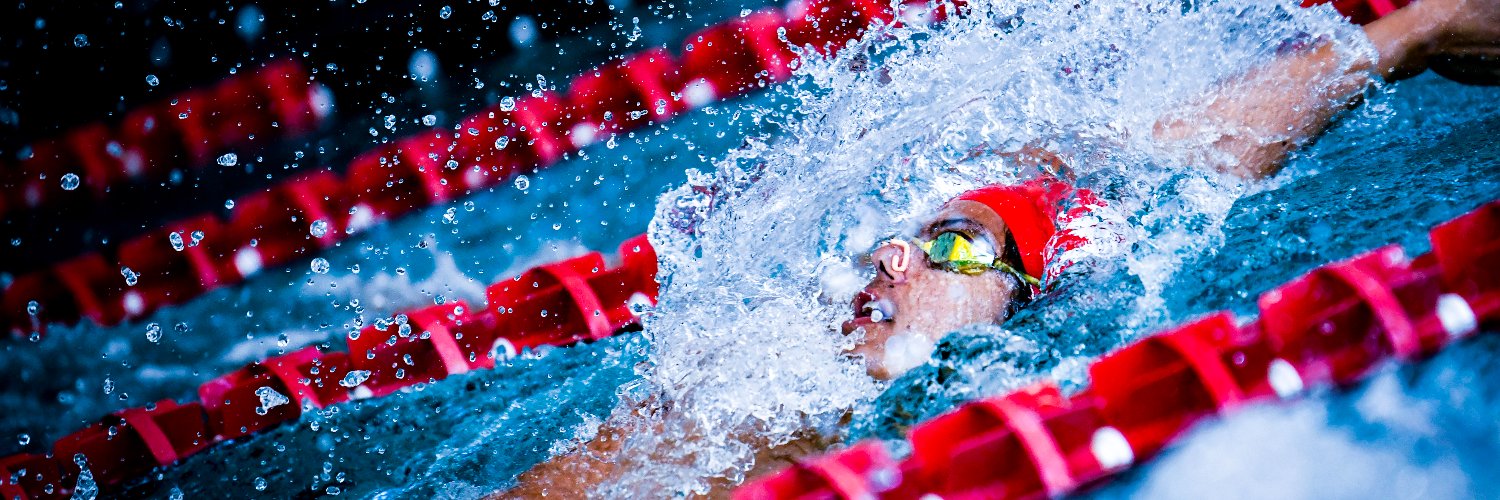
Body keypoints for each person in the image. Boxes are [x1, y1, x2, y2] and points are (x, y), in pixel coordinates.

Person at [496, 0, 1500, 496]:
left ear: (1041, 294)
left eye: (956, 244)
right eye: (893, 247)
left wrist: (1412, 32)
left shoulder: (1023, 349)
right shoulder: (744, 380)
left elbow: (1196, 155)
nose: (889, 261)